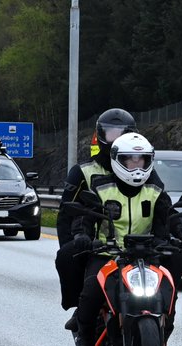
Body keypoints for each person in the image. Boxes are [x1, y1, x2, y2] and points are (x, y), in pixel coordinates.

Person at [70, 132, 182, 346]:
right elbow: (85, 216)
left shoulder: (155, 190)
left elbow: (170, 216)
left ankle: (163, 332)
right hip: (108, 254)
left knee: (168, 290)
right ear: (118, 160)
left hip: (146, 256)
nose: (136, 165)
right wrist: (82, 235)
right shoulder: (101, 188)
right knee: (91, 290)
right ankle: (84, 336)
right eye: (130, 160)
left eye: (142, 160)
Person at [55, 108, 138, 329]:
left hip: (138, 247)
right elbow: (66, 213)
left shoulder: (143, 170)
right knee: (67, 256)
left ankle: (165, 319)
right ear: (100, 135)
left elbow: (161, 203)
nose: (115, 139)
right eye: (111, 134)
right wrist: (74, 245)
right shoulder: (84, 172)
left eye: (122, 134)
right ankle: (79, 313)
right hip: (99, 246)